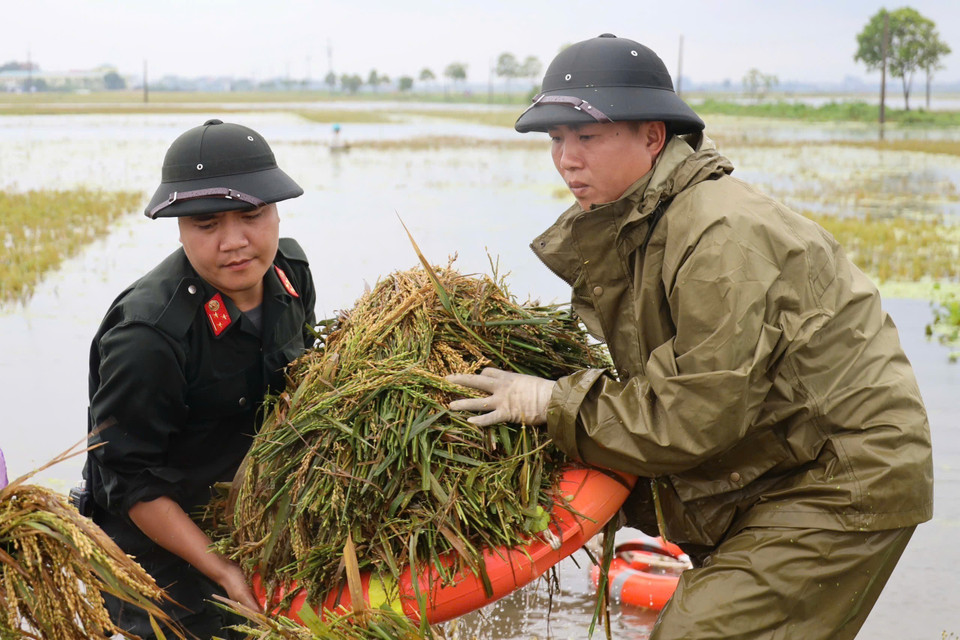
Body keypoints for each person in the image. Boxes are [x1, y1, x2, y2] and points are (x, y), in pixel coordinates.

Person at [447, 34, 933, 640]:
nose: (566, 158)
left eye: (587, 137)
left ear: (653, 136)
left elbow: (698, 412)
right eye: (555, 139)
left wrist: (552, 402)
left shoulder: (719, 234)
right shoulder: (635, 226)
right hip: (766, 458)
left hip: (833, 475)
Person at [83, 119, 317, 639]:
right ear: (180, 227)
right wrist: (224, 570)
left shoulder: (291, 274)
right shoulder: (147, 337)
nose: (234, 242)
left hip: (243, 510)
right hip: (151, 538)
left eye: (252, 215)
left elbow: (299, 387)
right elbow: (132, 483)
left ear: (276, 210)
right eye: (207, 224)